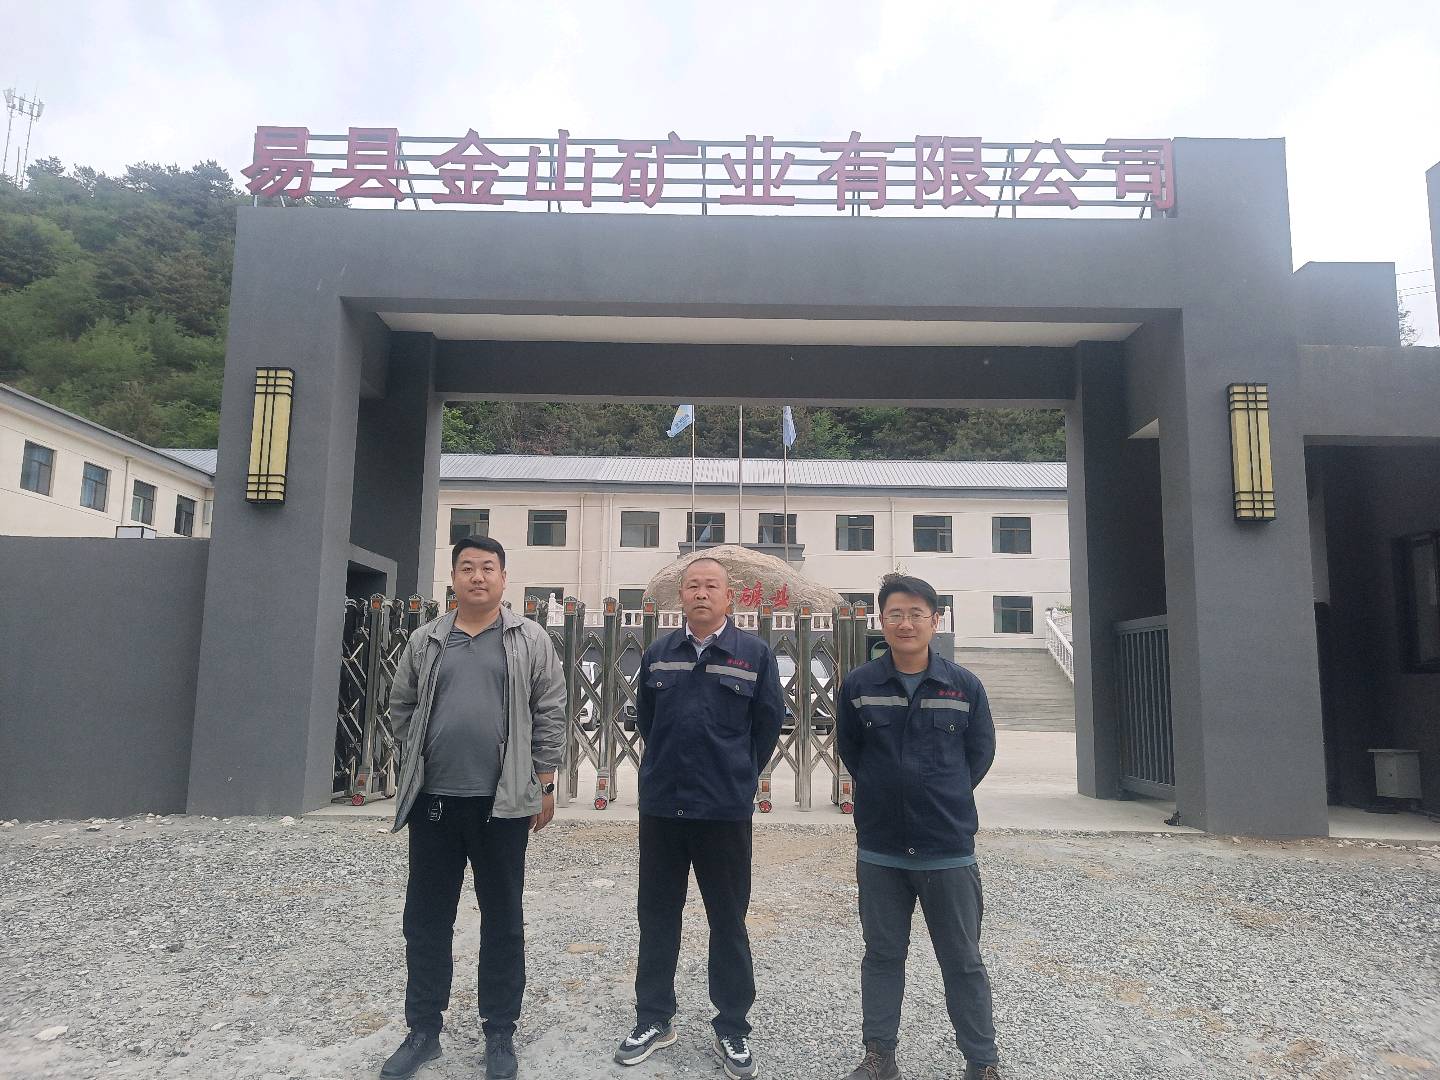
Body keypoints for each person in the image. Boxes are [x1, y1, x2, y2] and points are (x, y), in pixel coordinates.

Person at [379, 537, 567, 1080]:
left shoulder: (529, 639)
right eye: (467, 568)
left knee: (503, 920)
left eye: (488, 568)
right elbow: (401, 705)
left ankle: (500, 1031)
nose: (477, 577)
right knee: (426, 920)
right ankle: (423, 1031)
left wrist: (545, 778)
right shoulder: (427, 640)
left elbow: (550, 707)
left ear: (504, 578)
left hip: (501, 805)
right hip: (435, 802)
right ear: (453, 578)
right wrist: (418, 757)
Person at [614, 557, 784, 1080]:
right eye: (693, 586)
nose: (701, 594)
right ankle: (653, 1017)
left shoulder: (754, 654)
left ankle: (732, 1025)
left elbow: (767, 725)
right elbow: (647, 721)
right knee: (657, 916)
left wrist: (736, 773)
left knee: (727, 920)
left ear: (730, 597)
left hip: (723, 811)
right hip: (663, 806)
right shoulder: (659, 653)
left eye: (712, 586)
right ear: (681, 596)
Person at [835, 573, 1001, 1080]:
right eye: (895, 614)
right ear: (880, 620)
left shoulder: (964, 686)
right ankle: (879, 1056)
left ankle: (981, 1061)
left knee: (963, 959)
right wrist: (887, 790)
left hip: (946, 846)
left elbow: (979, 754)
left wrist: (942, 794)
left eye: (915, 614)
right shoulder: (860, 685)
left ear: (935, 619)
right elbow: (851, 750)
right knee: (883, 955)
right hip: (881, 847)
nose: (905, 624)